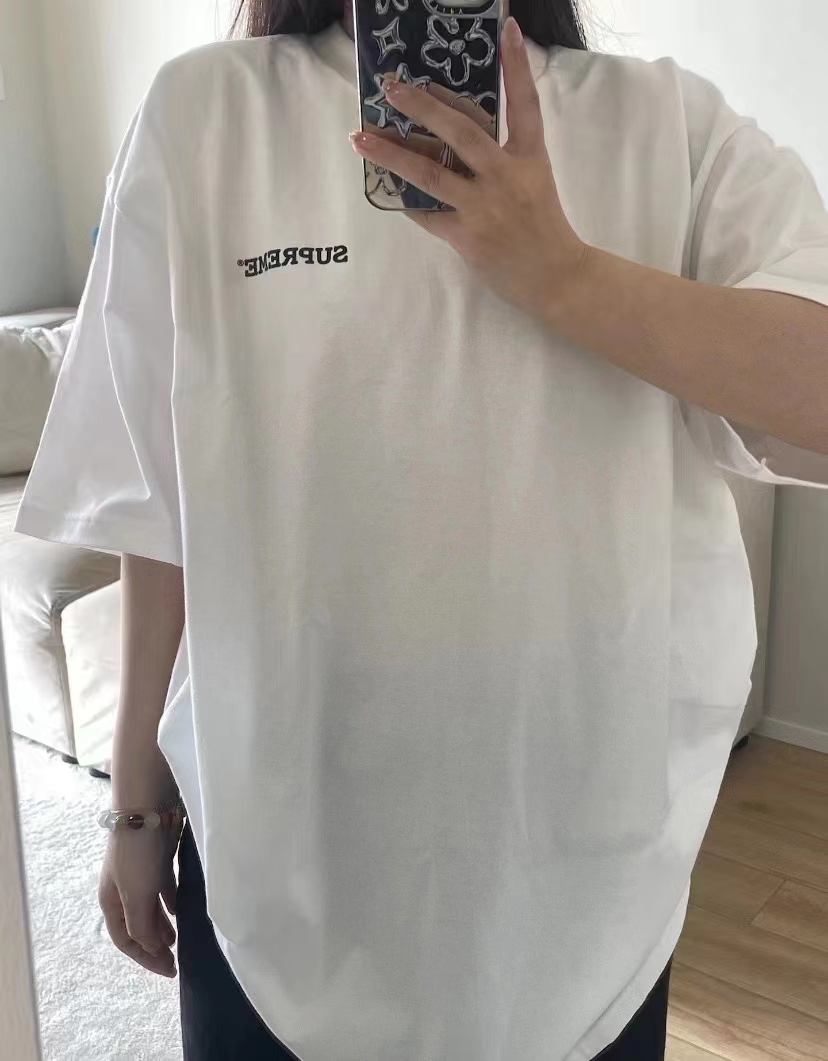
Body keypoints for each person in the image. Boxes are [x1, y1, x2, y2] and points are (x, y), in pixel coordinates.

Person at [14, 0, 828, 1057]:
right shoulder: (205, 115)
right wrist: (137, 807)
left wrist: (564, 273)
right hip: (281, 849)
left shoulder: (668, 124)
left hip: (583, 870)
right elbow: (154, 502)